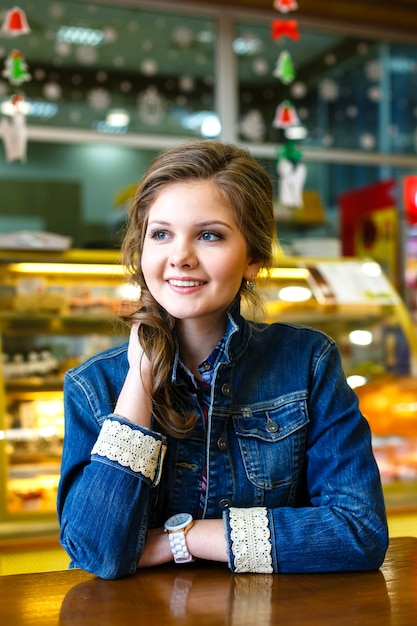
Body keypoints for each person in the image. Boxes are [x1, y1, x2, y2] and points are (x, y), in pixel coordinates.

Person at [57, 140, 388, 580]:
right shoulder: (93, 386)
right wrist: (138, 382)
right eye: (161, 234)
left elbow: (358, 532)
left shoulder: (308, 362)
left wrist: (184, 538)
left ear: (252, 257)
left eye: (209, 235)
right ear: (141, 250)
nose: (180, 257)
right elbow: (96, 552)